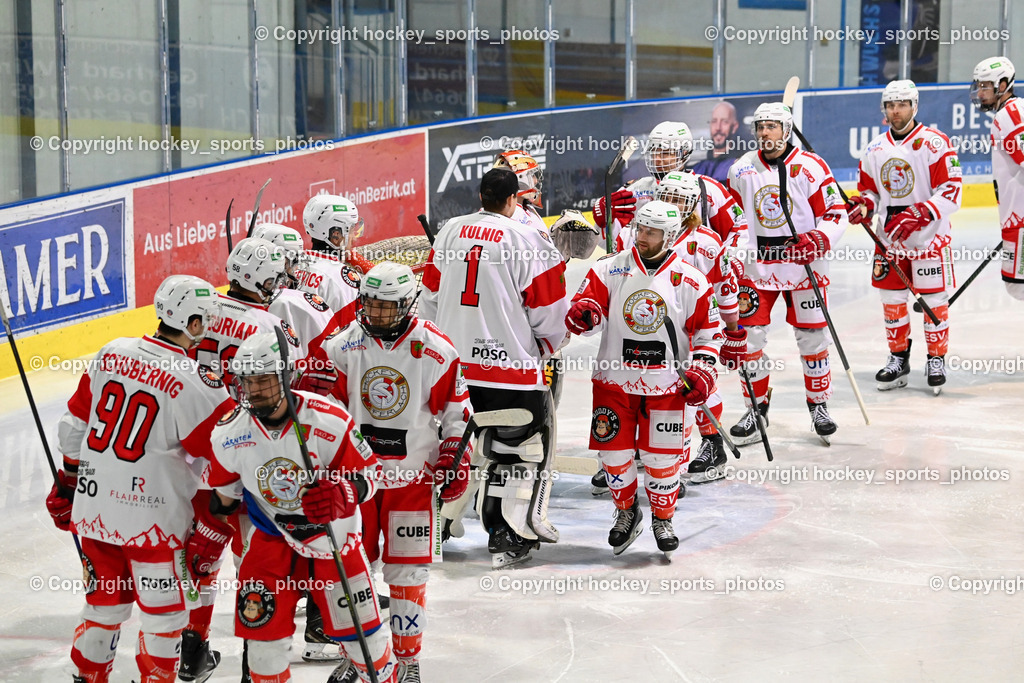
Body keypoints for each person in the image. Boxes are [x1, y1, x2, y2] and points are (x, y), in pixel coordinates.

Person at [44, 275, 233, 683]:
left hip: (95, 512)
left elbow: (73, 427)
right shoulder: (197, 382)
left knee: (102, 609)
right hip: (154, 523)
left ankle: (88, 678)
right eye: (206, 321)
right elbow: (225, 458)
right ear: (193, 323)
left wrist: (68, 482)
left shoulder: (112, 352)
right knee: (165, 615)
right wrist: (217, 519)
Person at [202, 333, 399, 683]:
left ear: (285, 376)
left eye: (264, 379)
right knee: (263, 654)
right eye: (248, 381)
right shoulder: (228, 433)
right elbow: (224, 499)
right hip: (272, 543)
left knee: (366, 648)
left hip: (334, 542)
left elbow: (371, 476)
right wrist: (205, 534)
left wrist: (342, 493)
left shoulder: (329, 420)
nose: (255, 390)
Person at [314, 262, 473, 682]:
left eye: (386, 306)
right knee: (352, 570)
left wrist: (456, 452)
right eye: (370, 303)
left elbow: (457, 411)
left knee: (407, 573)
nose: (376, 312)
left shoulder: (435, 348)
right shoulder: (341, 347)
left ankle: (406, 659)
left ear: (407, 304)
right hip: (354, 482)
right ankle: (357, 655)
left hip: (411, 481)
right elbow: (324, 416)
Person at [420, 167, 570, 569]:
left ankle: (435, 521)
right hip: (509, 374)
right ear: (512, 200)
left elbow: (429, 297)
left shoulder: (450, 231)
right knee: (517, 449)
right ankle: (505, 530)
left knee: (453, 443)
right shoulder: (526, 237)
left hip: (452, 370)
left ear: (480, 195)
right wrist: (548, 344)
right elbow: (549, 307)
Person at [566, 200, 722, 556]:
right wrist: (584, 314)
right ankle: (625, 512)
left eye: (651, 232)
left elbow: (709, 334)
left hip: (667, 386)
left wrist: (703, 371)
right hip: (613, 381)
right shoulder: (608, 269)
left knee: (661, 460)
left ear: (669, 237)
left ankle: (663, 518)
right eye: (640, 229)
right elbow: (585, 313)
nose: (642, 237)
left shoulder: (690, 280)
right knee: (614, 455)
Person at [726, 101, 849, 446]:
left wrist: (819, 238)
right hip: (758, 266)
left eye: (771, 127)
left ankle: (819, 406)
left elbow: (836, 213)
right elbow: (732, 219)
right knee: (749, 340)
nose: (764, 133)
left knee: (812, 339)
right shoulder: (741, 169)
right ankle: (756, 407)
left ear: (787, 129)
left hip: (803, 266)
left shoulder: (811, 167)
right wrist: (734, 254)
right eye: (760, 127)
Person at [847, 79, 961, 393]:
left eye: (902, 105)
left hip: (928, 240)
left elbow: (952, 192)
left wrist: (920, 212)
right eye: (890, 106)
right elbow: (870, 192)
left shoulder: (935, 143)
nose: (896, 111)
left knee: (934, 301)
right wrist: (864, 206)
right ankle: (899, 358)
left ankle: (936, 359)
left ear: (914, 106)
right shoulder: (874, 148)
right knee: (892, 301)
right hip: (890, 240)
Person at [655, 172, 745, 481]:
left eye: (679, 199)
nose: (671, 205)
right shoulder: (643, 231)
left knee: (694, 386)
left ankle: (710, 446)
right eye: (666, 197)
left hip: (698, 328)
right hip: (652, 326)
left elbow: (724, 286)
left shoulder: (705, 241)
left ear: (692, 203)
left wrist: (733, 330)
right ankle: (653, 452)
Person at [970, 57, 1024, 301]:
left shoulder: (1009, 116)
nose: (980, 93)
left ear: (1002, 86)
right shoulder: (1012, 111)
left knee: (1018, 286)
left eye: (985, 86)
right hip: (1015, 217)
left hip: (1020, 220)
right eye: (979, 86)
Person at [295, 194, 364, 319]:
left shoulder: (291, 264)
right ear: (336, 235)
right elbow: (355, 331)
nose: (354, 237)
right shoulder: (344, 280)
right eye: (352, 230)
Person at [692, 101, 745, 183]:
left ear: (734, 127)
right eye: (714, 121)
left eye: (724, 122)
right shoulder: (698, 167)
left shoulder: (740, 167)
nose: (718, 127)